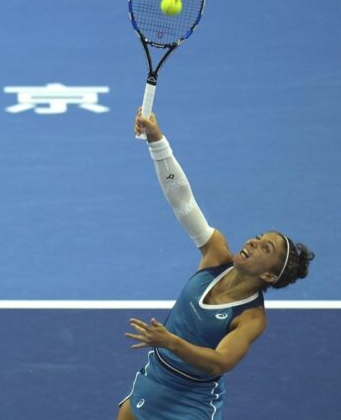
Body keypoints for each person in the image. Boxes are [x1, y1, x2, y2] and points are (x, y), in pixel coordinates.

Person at [117, 110, 314, 419]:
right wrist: (157, 141)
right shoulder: (215, 253)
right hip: (154, 377)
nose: (252, 241)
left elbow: (219, 362)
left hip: (190, 403)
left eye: (266, 247)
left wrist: (171, 341)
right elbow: (183, 201)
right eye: (259, 236)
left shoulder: (251, 318)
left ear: (268, 274)